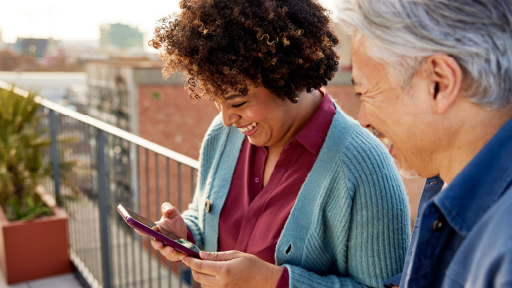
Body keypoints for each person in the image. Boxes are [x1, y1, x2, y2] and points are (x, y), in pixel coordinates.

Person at [143, 0, 410, 287]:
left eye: (238, 102)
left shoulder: (365, 166)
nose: (227, 119)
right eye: (217, 101)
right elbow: (205, 214)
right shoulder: (222, 137)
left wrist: (274, 282)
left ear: (286, 79)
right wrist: (187, 233)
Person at [337, 0, 512, 287]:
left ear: (438, 83)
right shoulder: (442, 177)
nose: (363, 119)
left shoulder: (504, 250)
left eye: (366, 93)